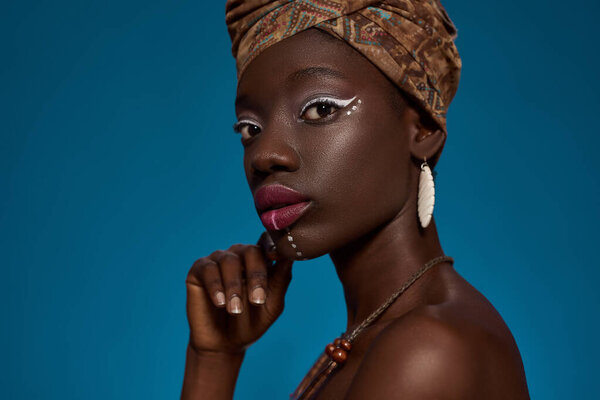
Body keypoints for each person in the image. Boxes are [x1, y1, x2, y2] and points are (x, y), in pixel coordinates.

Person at [181, 1, 530, 398]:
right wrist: (213, 357)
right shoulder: (376, 335)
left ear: (422, 129)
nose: (264, 155)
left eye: (320, 108)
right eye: (250, 128)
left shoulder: (429, 350)